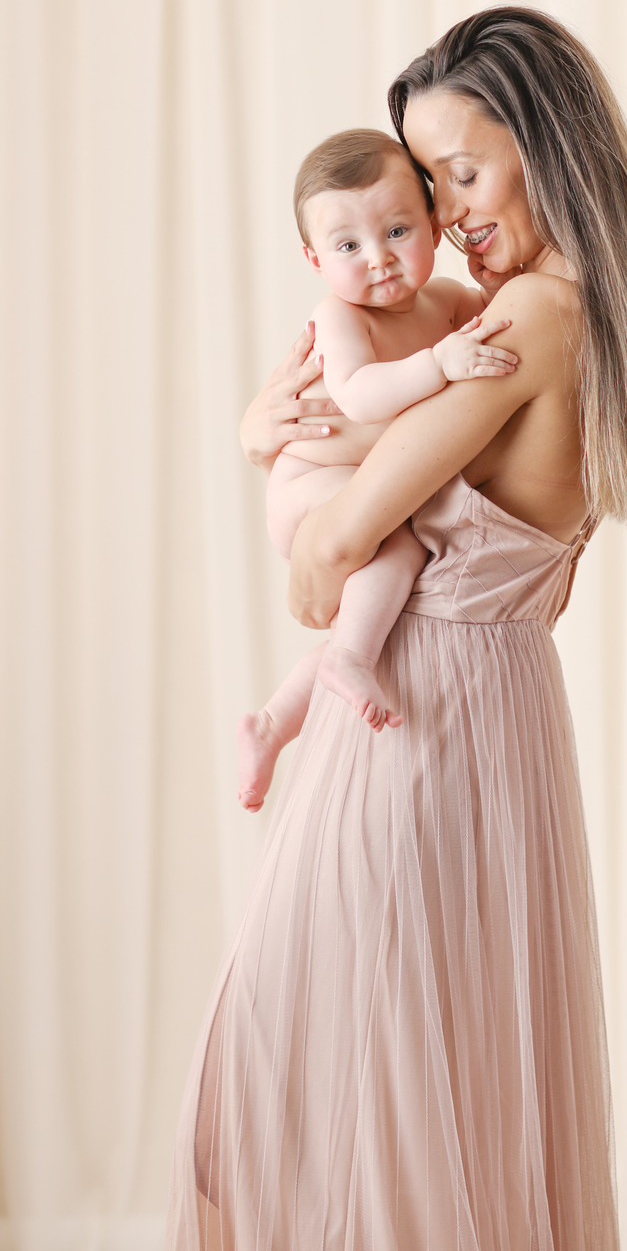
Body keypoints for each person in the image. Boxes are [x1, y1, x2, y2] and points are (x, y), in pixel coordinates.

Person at [167, 6, 627, 1251]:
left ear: (547, 149)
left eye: (462, 174)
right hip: (485, 705)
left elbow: (333, 551)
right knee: (441, 1063)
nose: (448, 213)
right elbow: (380, 476)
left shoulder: (526, 321)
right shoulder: (545, 310)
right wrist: (288, 450)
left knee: (347, 1045)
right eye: (430, 182)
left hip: (423, 712)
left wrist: (276, 463)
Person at [237, 126, 519, 812]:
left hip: (352, 486)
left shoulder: (448, 301)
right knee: (398, 543)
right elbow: (358, 393)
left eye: (397, 231)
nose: (379, 260)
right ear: (314, 260)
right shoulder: (338, 317)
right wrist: (439, 364)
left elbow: (501, 323)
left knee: (385, 604)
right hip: (307, 488)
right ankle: (346, 662)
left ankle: (273, 723)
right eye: (348, 247)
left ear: (432, 221)